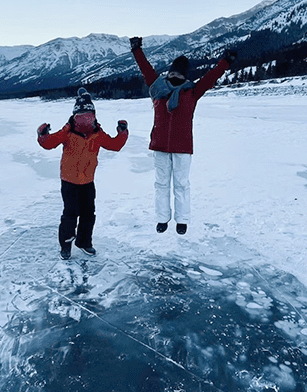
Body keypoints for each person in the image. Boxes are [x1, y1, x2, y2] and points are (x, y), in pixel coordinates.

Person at [131, 36, 232, 235]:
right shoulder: (158, 87)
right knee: (161, 185)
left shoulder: (192, 92)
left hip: (183, 147)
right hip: (160, 146)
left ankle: (182, 220)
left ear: (185, 75)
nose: (175, 74)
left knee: (181, 185)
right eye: (173, 70)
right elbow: (146, 68)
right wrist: (137, 50)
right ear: (169, 71)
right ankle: (162, 219)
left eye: (179, 72)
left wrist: (225, 63)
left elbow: (211, 77)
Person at [37, 89, 129, 260]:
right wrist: (122, 132)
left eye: (88, 115)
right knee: (80, 213)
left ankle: (77, 244)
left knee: (78, 213)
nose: (85, 119)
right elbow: (115, 145)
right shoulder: (72, 131)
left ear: (92, 115)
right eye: (82, 115)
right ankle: (74, 244)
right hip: (74, 181)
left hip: (83, 181)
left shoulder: (91, 133)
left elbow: (48, 143)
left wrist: (42, 134)